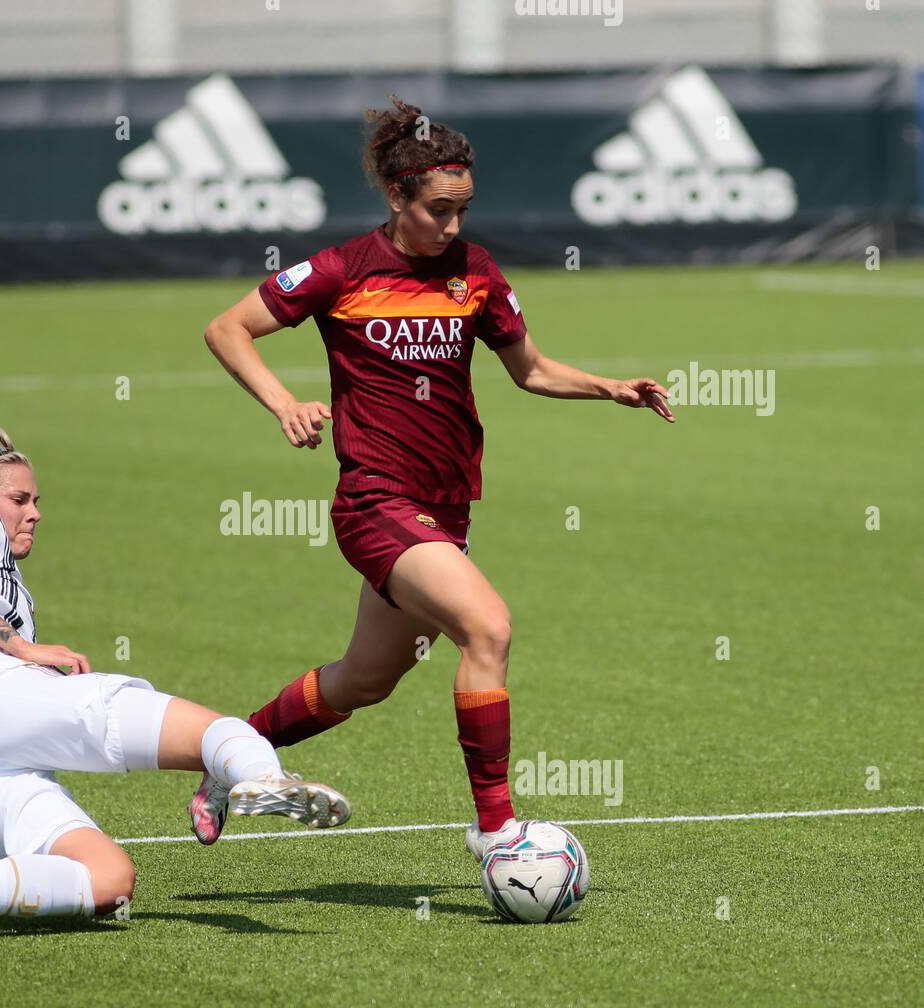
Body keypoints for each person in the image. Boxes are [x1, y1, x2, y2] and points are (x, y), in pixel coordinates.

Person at [196, 96, 673, 861]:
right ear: (397, 197)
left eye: (463, 211)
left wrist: (612, 387)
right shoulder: (343, 269)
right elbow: (227, 328)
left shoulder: (475, 273)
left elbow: (533, 370)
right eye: (438, 211)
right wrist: (284, 403)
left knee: (361, 681)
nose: (452, 227)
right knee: (488, 628)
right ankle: (496, 831)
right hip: (376, 504)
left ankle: (227, 756)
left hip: (447, 511)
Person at [0, 417, 351, 922]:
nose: (34, 513)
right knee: (218, 732)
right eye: (20, 499)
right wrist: (16, 645)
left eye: (37, 501)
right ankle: (261, 777)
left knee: (108, 880)